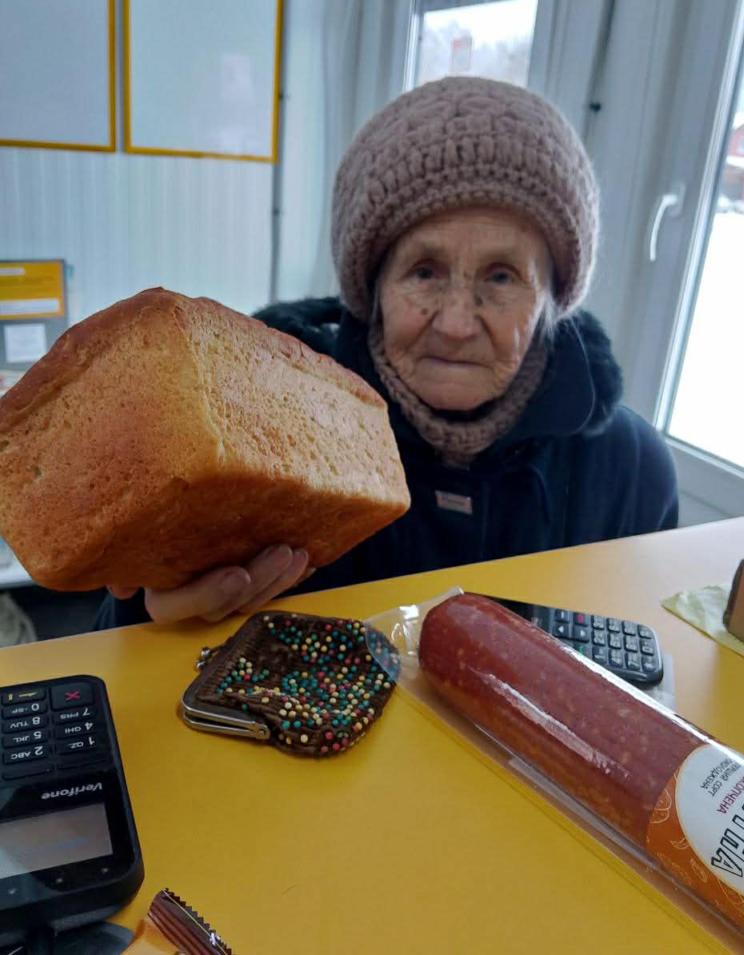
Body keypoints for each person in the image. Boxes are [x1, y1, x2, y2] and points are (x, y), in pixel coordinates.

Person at [99, 77, 677, 630]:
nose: (455, 324)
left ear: (554, 299)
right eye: (424, 271)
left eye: (502, 277)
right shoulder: (262, 445)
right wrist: (155, 610)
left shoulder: (631, 473)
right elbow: (111, 667)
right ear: (370, 289)